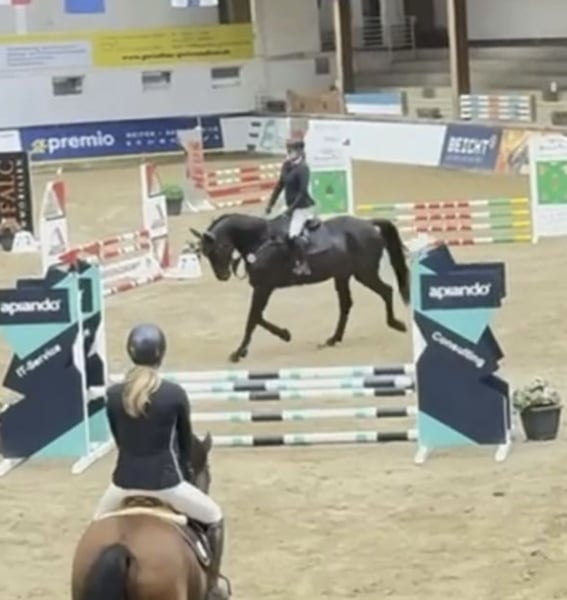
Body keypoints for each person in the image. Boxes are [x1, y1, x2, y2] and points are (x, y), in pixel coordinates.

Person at [93, 323, 228, 600]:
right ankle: (213, 588)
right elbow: (184, 446)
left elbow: (120, 441)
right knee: (215, 517)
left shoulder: (114, 395)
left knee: (96, 528)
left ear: (130, 352)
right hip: (166, 484)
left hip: (122, 485)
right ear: (161, 354)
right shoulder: (173, 394)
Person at [265, 138, 316, 275]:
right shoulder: (286, 165)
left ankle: (304, 264)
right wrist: (270, 204)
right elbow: (279, 185)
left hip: (302, 207)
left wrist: (291, 210)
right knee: (273, 225)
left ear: (299, 151)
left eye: (291, 150)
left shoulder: (303, 168)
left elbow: (302, 192)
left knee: (293, 234)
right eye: (288, 150)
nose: (288, 152)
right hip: (289, 206)